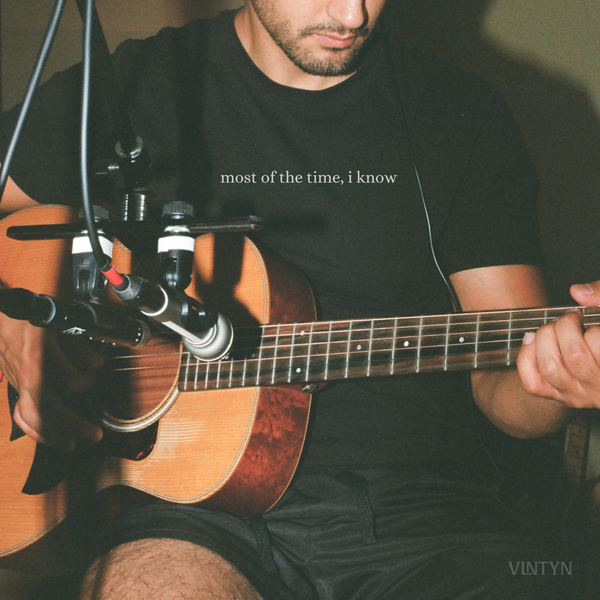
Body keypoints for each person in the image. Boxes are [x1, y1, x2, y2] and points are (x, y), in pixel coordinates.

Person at [1, 1, 600, 598]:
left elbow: (503, 386)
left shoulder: (462, 114)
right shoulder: (133, 84)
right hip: (186, 517)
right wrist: (14, 314)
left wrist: (560, 381)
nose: (352, 14)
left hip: (428, 512)